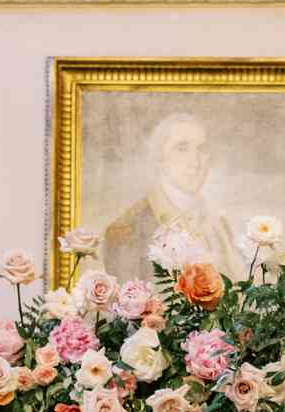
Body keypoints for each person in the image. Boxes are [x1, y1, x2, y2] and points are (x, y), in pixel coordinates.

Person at [100, 112, 243, 286]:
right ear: (160, 159)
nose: (196, 162)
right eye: (182, 148)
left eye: (202, 149)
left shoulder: (219, 226)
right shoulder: (126, 232)